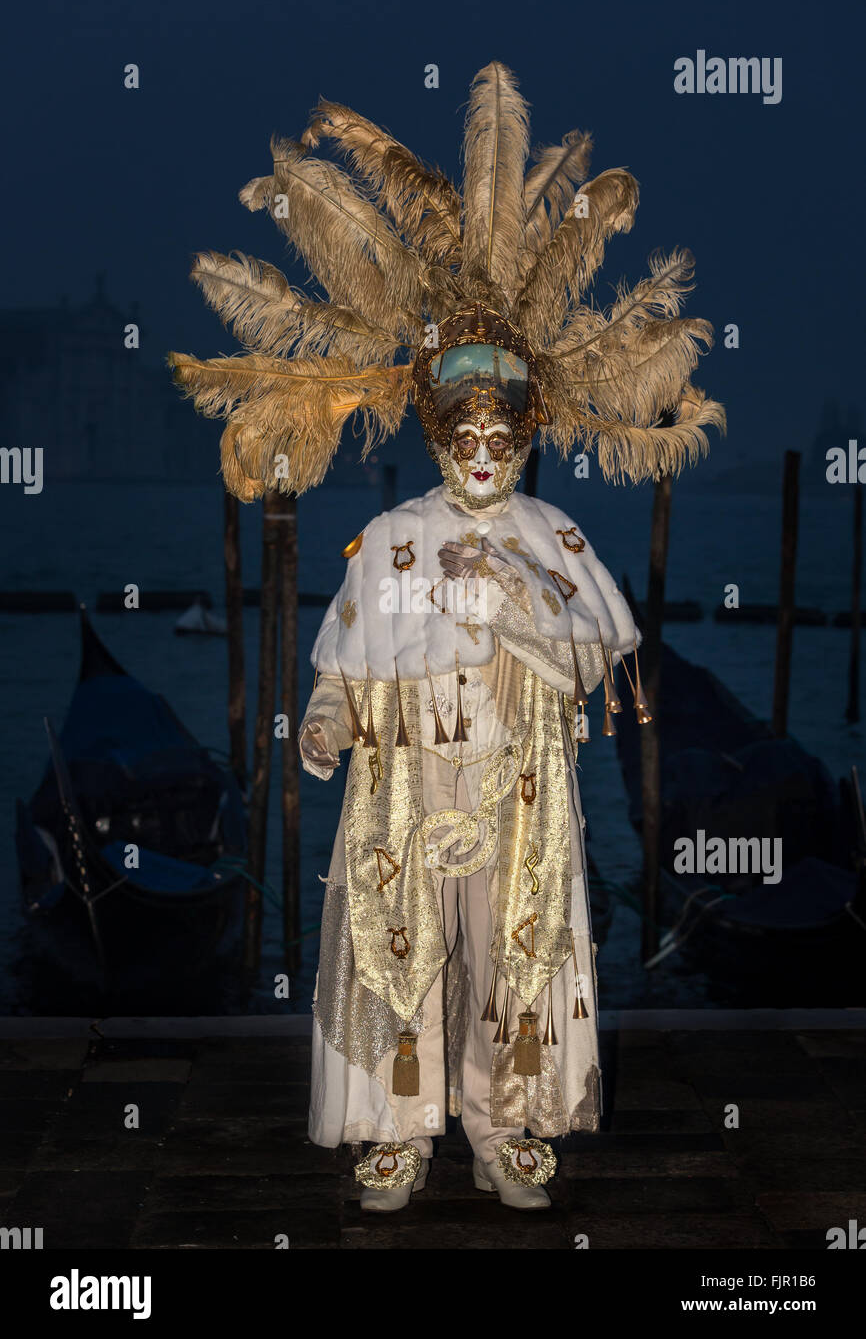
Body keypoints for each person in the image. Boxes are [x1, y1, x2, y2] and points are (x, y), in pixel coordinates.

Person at [169, 61, 723, 1213]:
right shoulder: (389, 538)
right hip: (408, 789)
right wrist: (324, 721)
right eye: (461, 432)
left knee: (513, 961)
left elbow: (586, 658)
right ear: (433, 431)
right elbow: (342, 665)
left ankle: (505, 1120)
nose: (481, 451)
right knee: (398, 956)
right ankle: (397, 1129)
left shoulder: (554, 537)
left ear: (524, 435)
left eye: (499, 435)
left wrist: (514, 596)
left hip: (517, 784)